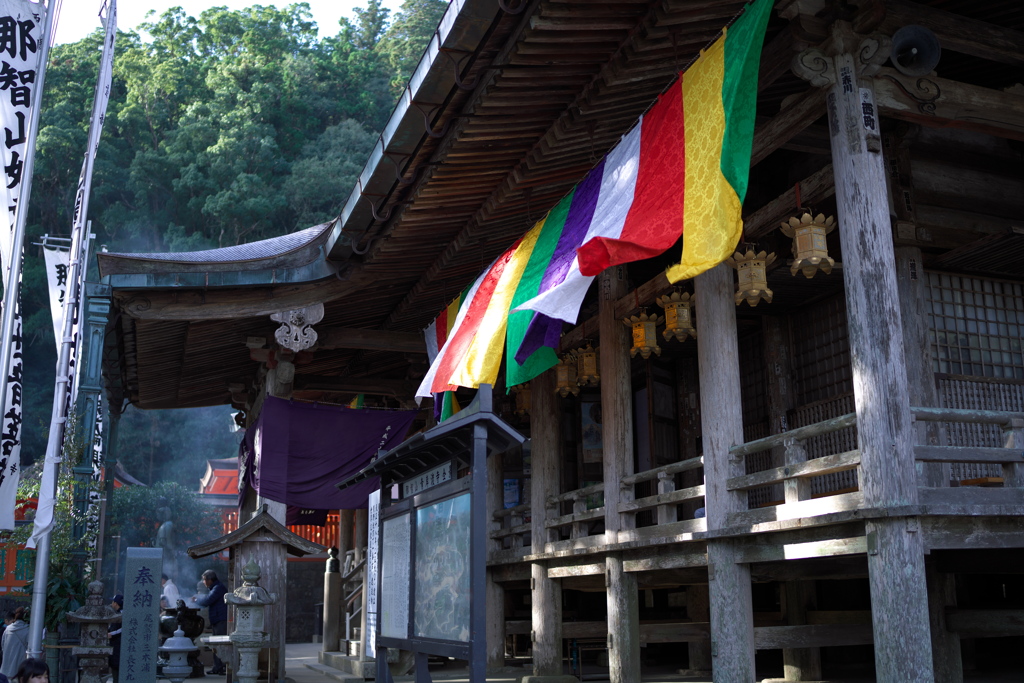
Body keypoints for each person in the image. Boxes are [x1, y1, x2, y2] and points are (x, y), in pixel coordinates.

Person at [193, 570, 227, 675]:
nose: (203, 582)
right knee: (216, 644)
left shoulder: (218, 588)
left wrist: (195, 601)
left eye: (204, 580)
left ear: (210, 580)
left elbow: (207, 600)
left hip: (220, 619)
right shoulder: (215, 588)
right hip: (217, 619)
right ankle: (218, 667)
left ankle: (220, 667)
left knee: (219, 644)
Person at [0, 608, 28, 678]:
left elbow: (3, 647)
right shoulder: (28, 630)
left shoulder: (7, 629)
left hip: (5, 670)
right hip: (20, 670)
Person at [108, 594, 123, 683]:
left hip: (118, 644)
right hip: (114, 644)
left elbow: (124, 628)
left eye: (112, 602)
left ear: (116, 603)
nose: (111, 604)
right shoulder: (116, 613)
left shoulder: (121, 614)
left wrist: (112, 634)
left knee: (117, 666)